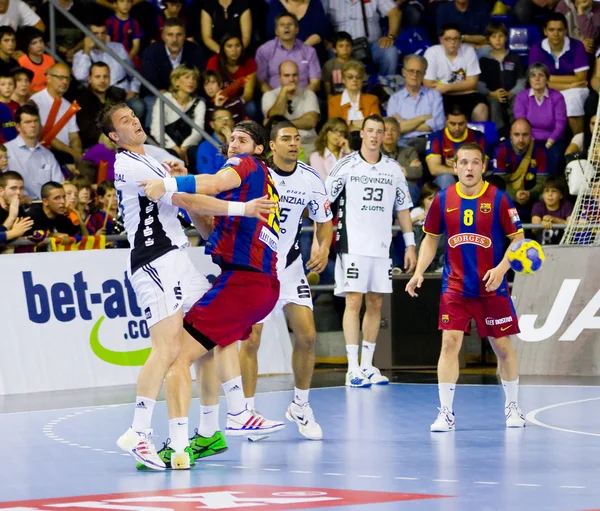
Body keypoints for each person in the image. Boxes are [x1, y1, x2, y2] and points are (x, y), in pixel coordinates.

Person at [97, 103, 280, 470]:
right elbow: (184, 198)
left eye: (135, 115)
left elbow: (183, 194)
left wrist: (179, 175)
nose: (134, 121)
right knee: (168, 349)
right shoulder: (128, 164)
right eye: (124, 121)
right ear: (114, 137)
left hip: (179, 257)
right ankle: (138, 431)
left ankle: (236, 414)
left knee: (219, 334)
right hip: (154, 259)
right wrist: (242, 209)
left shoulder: (151, 159)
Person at [405, 142, 527, 432]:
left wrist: (501, 269)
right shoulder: (442, 199)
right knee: (449, 344)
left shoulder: (499, 199)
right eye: (464, 163)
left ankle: (513, 407)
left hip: (491, 286)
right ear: (455, 166)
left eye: (475, 163)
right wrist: (418, 271)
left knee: (502, 347)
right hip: (455, 287)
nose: (469, 168)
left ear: (483, 166)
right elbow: (431, 239)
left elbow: (518, 239)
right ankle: (446, 412)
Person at [239, 120, 333, 440]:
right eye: (286, 139)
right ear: (272, 145)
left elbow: (325, 221)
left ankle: (300, 406)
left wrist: (323, 244)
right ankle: (248, 412)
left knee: (307, 336)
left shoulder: (310, 178)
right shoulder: (257, 175)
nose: (293, 143)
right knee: (251, 340)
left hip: (290, 267)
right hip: (258, 266)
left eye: (296, 138)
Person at [326, 115, 416, 388]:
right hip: (353, 246)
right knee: (353, 302)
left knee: (376, 303)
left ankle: (368, 364)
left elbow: (402, 209)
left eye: (381, 131)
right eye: (371, 131)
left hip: (381, 247)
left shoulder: (393, 169)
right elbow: (323, 200)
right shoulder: (346, 165)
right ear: (361, 134)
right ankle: (352, 367)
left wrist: (410, 243)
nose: (376, 136)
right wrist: (321, 239)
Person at [528, 13, 590, 135]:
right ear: (545, 31)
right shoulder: (536, 49)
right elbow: (536, 82)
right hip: (565, 87)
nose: (556, 34)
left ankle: (578, 143)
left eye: (560, 30)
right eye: (551, 30)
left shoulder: (577, 46)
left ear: (566, 31)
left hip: (576, 89)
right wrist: (570, 85)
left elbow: (581, 78)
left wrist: (548, 80)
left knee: (573, 98)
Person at [423, 24, 488, 122]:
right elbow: (428, 84)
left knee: (481, 108)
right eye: (448, 39)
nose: (452, 42)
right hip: (441, 96)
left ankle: (478, 137)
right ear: (441, 40)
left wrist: (446, 88)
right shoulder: (432, 52)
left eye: (456, 39)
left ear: (460, 40)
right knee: (433, 105)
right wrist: (464, 87)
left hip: (465, 96)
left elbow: (472, 83)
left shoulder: (468, 51)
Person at [386, 54, 445, 156]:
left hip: (429, 140)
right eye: (411, 71)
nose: (415, 75)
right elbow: (394, 129)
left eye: (419, 72)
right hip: (403, 142)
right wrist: (422, 118)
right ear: (404, 72)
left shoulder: (435, 96)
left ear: (424, 74)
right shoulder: (395, 99)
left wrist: (404, 122)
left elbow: (437, 125)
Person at [5, 103, 62, 200]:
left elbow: (59, 185)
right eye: (27, 122)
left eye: (36, 121)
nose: (33, 125)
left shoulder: (48, 155)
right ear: (18, 127)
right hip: (16, 206)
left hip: (45, 207)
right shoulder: (6, 151)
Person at [262, 60, 320, 156]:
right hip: (281, 145)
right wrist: (284, 92)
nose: (291, 79)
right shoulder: (269, 95)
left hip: (307, 143)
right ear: (279, 77)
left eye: (294, 75)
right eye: (287, 76)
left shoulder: (309, 94)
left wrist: (281, 124)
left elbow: (311, 121)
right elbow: (275, 115)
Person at [150, 64, 205, 164]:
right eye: (187, 77)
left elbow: (198, 132)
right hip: (168, 145)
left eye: (194, 78)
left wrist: (184, 147)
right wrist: (176, 149)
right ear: (176, 81)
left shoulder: (199, 103)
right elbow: (156, 129)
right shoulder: (164, 99)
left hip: (188, 145)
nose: (191, 81)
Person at [255, 12, 321, 94]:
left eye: (290, 24)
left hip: (304, 97)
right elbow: (260, 82)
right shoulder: (264, 50)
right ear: (276, 31)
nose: (286, 27)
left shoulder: (309, 51)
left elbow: (315, 82)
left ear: (297, 30)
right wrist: (274, 98)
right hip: (274, 98)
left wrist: (301, 98)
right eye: (282, 25)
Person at [30, 63, 82, 165]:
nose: (65, 82)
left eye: (67, 78)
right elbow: (44, 134)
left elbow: (74, 135)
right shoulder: (36, 101)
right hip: (45, 153)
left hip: (67, 155)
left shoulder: (68, 105)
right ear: (49, 78)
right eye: (60, 77)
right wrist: (73, 153)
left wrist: (78, 154)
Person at [492, 118, 548, 213]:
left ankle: (540, 225)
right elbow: (499, 183)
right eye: (516, 135)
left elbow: (542, 182)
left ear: (531, 135)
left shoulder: (541, 151)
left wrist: (529, 194)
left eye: (525, 135)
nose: (521, 140)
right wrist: (515, 194)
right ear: (510, 135)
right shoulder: (500, 150)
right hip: (508, 193)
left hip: (532, 194)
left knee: (545, 196)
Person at [477, 23, 525, 134]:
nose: (498, 40)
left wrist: (512, 93)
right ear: (488, 39)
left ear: (506, 37)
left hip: (512, 95)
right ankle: (499, 134)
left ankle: (516, 132)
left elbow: (521, 81)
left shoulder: (514, 57)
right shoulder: (484, 60)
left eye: (501, 36)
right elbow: (479, 84)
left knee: (518, 101)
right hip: (492, 95)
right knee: (494, 104)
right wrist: (492, 93)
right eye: (494, 37)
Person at [425, 105, 486, 190]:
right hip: (445, 180)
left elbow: (483, 166)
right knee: (446, 178)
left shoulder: (478, 137)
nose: (457, 128)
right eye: (452, 124)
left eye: (461, 124)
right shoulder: (436, 137)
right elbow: (434, 169)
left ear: (466, 121)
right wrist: (460, 170)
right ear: (446, 121)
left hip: (472, 178)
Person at [327, 60, 380, 132]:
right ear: (343, 79)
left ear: (362, 80)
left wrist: (349, 123)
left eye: (358, 77)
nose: (354, 80)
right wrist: (354, 123)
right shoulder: (334, 101)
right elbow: (335, 128)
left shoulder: (372, 99)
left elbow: (376, 125)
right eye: (350, 77)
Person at [531, 176, 573, 245]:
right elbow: (534, 228)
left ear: (561, 195)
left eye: (554, 191)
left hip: (563, 247)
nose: (550, 194)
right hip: (542, 248)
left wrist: (554, 220)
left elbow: (571, 225)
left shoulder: (566, 205)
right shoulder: (538, 206)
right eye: (547, 191)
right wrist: (543, 223)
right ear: (542, 195)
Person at [309, 117, 350, 181]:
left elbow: (354, 176)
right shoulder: (316, 156)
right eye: (335, 131)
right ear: (326, 133)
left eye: (341, 132)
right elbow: (322, 180)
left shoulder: (349, 155)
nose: (338, 134)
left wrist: (347, 152)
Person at [16, 27, 54, 93]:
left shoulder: (50, 60)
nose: (39, 45)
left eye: (41, 41)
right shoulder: (21, 63)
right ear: (27, 46)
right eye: (34, 43)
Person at [196, 107, 233, 174]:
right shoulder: (205, 146)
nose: (224, 122)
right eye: (220, 119)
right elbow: (207, 174)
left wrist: (231, 143)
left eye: (227, 119)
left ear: (233, 123)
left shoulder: (241, 145)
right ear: (212, 124)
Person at [322, 31, 353, 98]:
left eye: (348, 45)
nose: (345, 49)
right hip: (337, 100)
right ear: (334, 49)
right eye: (341, 46)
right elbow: (328, 92)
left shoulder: (357, 64)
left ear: (352, 48)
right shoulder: (329, 65)